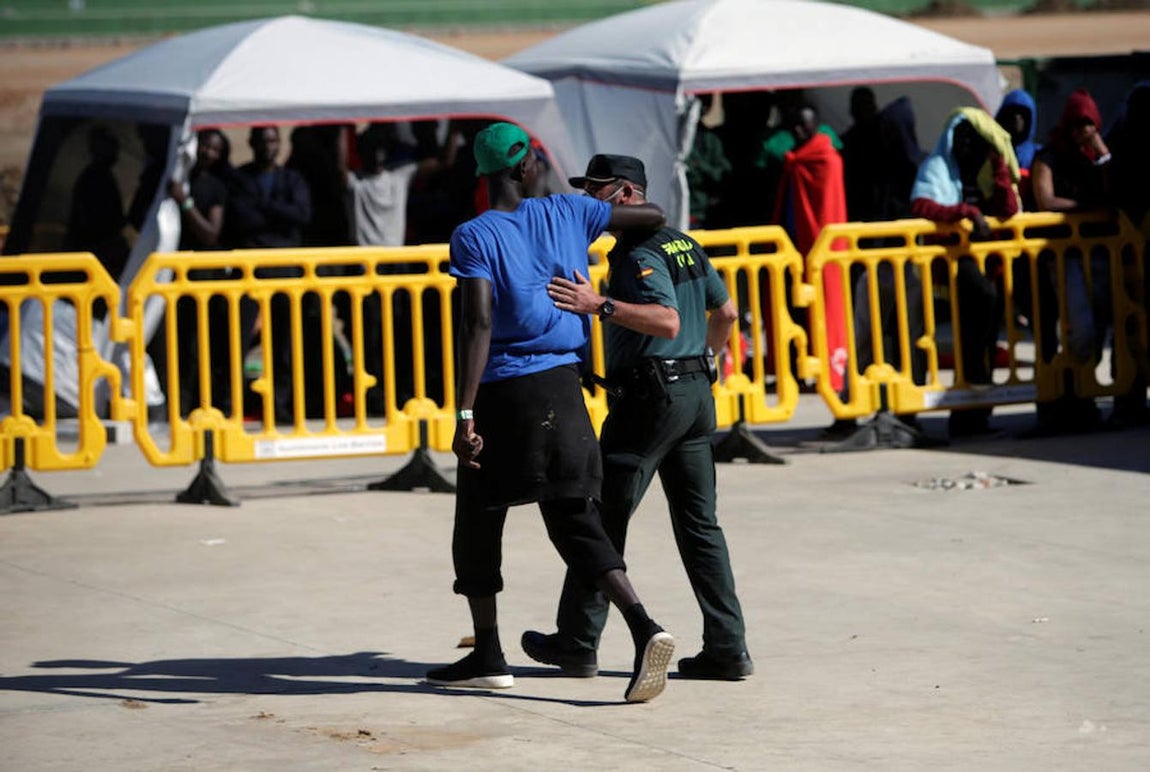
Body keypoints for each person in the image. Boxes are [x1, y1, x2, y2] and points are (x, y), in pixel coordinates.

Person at [427, 123, 675, 703]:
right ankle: (645, 628)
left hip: (506, 394)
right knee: (574, 519)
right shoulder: (569, 212)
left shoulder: (473, 235)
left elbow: (479, 323)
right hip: (564, 388)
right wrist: (606, 205)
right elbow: (655, 215)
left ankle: (489, 651)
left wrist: (465, 413)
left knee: (479, 521)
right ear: (523, 169)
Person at [521, 154, 752, 681]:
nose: (589, 201)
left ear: (627, 194)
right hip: (694, 396)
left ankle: (578, 641)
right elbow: (727, 313)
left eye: (597, 190)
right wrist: (709, 360)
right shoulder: (683, 242)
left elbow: (667, 320)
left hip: (652, 400)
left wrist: (598, 304)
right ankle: (728, 646)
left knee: (601, 519)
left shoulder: (637, 251)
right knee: (700, 528)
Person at [911, 108, 1021, 438]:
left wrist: (999, 166)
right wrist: (966, 212)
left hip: (988, 263)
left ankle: (975, 418)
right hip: (951, 263)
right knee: (973, 323)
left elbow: (1008, 209)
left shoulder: (986, 171)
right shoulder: (938, 167)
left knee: (987, 334)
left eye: (975, 141)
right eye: (961, 140)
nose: (967, 147)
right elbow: (922, 206)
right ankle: (965, 408)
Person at [1030, 88, 1114, 432]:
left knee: (1100, 330)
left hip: (1099, 254)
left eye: (1089, 124)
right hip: (1064, 258)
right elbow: (1045, 199)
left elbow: (1115, 193)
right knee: (1079, 331)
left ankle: (1084, 396)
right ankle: (1067, 396)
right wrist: (1084, 211)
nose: (1083, 131)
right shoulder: (1048, 157)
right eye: (1077, 124)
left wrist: (1103, 154)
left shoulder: (1094, 159)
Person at [227, 125, 312, 422]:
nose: (268, 147)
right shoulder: (240, 178)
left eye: (274, 141)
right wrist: (279, 214)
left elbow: (302, 215)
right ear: (251, 143)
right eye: (263, 141)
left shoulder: (291, 178)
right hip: (250, 271)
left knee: (284, 344)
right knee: (237, 340)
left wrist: (264, 207)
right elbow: (241, 218)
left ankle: (281, 405)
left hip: (285, 271)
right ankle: (232, 405)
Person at [167, 128, 232, 416]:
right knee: (180, 345)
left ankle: (202, 404)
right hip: (174, 277)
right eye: (204, 146)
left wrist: (185, 203)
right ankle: (178, 404)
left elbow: (210, 233)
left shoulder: (215, 186)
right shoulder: (172, 180)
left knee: (202, 344)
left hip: (205, 278)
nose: (208, 153)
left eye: (215, 149)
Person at [1106, 81, 1150, 426]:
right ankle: (1129, 397)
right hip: (1130, 254)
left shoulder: (1122, 145)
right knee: (1129, 327)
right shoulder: (1130, 150)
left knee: (1129, 327)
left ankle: (1129, 397)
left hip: (1127, 254)